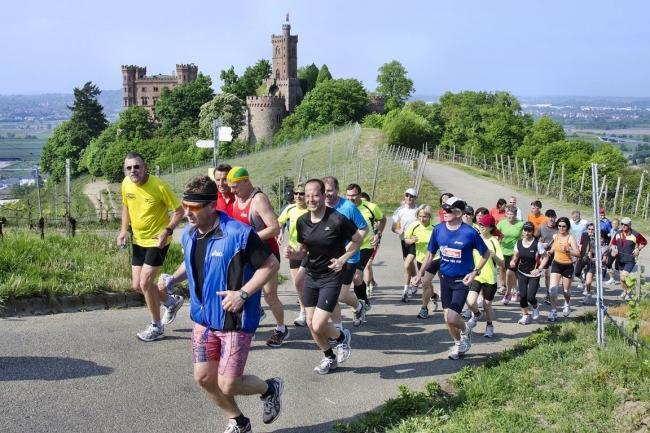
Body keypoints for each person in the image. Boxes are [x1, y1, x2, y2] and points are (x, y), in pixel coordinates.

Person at [160, 175, 283, 433]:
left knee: (229, 384)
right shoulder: (190, 234)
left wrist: (244, 293)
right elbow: (192, 263)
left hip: (234, 320)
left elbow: (271, 264)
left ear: (211, 206)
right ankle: (238, 420)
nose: (187, 214)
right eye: (185, 207)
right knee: (204, 378)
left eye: (193, 208)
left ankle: (269, 389)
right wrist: (172, 278)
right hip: (203, 319)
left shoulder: (240, 234)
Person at [285, 178, 363, 374]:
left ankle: (341, 338)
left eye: (315, 195)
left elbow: (358, 240)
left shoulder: (336, 219)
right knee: (311, 324)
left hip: (331, 275)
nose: (311, 199)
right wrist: (293, 254)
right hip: (312, 275)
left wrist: (343, 259)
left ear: (323, 196)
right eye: (307, 195)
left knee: (319, 324)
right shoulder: (302, 221)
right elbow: (303, 250)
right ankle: (329, 357)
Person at [117, 152, 184, 342]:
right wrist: (123, 230)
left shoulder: (159, 186)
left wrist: (167, 231)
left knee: (146, 283)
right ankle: (171, 302)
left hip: (157, 240)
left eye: (137, 167)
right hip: (138, 240)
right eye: (129, 168)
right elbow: (126, 207)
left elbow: (180, 211)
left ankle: (157, 326)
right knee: (137, 286)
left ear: (145, 167)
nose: (133, 171)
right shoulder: (126, 183)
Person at [412, 196, 490, 360]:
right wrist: (420, 274)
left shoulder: (469, 232)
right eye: (443, 209)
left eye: (449, 210)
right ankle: (458, 344)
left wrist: (475, 272)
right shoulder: (438, 230)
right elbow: (430, 254)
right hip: (445, 279)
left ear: (459, 213)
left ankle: (466, 330)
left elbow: (486, 253)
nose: (444, 212)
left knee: (452, 317)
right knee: (447, 319)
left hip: (462, 280)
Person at [226, 166, 287, 347]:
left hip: (267, 255)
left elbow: (274, 228)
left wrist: (248, 239)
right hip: (247, 255)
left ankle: (281, 328)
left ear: (246, 180)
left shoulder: (258, 199)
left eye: (235, 185)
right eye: (231, 186)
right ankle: (246, 327)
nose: (232, 190)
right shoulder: (237, 199)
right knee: (246, 292)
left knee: (270, 295)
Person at [322, 177, 368, 328]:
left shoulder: (348, 207)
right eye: (324, 190)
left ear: (337, 190)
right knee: (331, 294)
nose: (326, 194)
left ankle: (359, 306)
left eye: (329, 190)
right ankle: (338, 329)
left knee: (341, 295)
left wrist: (354, 245)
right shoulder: (320, 206)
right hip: (329, 257)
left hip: (349, 257)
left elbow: (363, 227)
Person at [345, 184, 386, 309]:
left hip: (366, 246)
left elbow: (382, 219)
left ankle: (361, 303)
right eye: (348, 195)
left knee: (357, 275)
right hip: (348, 247)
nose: (350, 198)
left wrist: (378, 234)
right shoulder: (343, 208)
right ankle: (364, 301)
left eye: (353, 195)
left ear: (360, 195)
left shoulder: (371, 207)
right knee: (355, 278)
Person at [466, 214, 504, 338]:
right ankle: (477, 315)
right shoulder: (475, 238)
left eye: (484, 225)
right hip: (476, 276)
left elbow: (502, 263)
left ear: (491, 227)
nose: (481, 226)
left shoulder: (494, 241)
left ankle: (489, 325)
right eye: (480, 224)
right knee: (470, 302)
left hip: (490, 278)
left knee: (487, 305)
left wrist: (494, 256)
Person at [277, 184, 309, 327]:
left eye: (301, 194)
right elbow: (278, 223)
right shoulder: (289, 209)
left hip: (311, 251)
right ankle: (303, 312)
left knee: (306, 282)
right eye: (295, 193)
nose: (297, 196)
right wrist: (279, 233)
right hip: (294, 251)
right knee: (298, 283)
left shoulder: (312, 209)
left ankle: (313, 310)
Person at [511, 222, 548, 324]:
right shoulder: (518, 243)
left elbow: (546, 257)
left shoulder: (537, 244)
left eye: (529, 231)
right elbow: (516, 255)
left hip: (534, 274)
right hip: (521, 272)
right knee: (522, 296)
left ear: (532, 232)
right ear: (522, 231)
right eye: (525, 230)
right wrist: (513, 261)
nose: (527, 233)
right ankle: (525, 315)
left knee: (530, 297)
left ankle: (535, 306)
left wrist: (539, 269)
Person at [403, 205, 436, 319]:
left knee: (426, 282)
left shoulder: (435, 227)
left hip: (436, 258)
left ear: (430, 216)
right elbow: (406, 239)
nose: (422, 219)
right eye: (420, 216)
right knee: (427, 283)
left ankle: (424, 308)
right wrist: (411, 240)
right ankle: (433, 296)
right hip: (421, 258)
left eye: (425, 216)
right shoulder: (414, 225)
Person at [548, 216, 581, 321]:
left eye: (564, 226)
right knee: (553, 289)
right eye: (559, 226)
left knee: (566, 291)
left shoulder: (570, 238)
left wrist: (568, 250)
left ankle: (567, 303)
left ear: (567, 227)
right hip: (556, 264)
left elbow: (578, 254)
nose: (561, 228)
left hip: (567, 266)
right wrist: (550, 252)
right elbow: (553, 247)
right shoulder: (555, 236)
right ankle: (553, 311)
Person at [392, 188, 419, 301]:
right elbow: (393, 227)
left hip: (415, 241)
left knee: (407, 264)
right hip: (403, 240)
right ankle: (415, 280)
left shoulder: (418, 211)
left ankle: (405, 291)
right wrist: (399, 230)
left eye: (411, 196)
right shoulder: (400, 210)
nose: (409, 198)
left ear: (415, 198)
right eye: (407, 195)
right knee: (409, 264)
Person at [611, 217, 647, 300]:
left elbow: (644, 242)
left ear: (630, 225)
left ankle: (628, 293)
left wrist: (638, 249)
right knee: (622, 279)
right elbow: (613, 243)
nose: (623, 226)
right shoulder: (618, 233)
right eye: (622, 224)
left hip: (629, 260)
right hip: (619, 259)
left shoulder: (635, 234)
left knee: (624, 276)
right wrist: (613, 250)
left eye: (625, 224)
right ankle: (626, 291)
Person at [496, 206, 524, 304]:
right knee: (505, 271)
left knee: (510, 273)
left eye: (511, 214)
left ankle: (508, 293)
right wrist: (497, 239)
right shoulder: (502, 223)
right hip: (502, 251)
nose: (509, 216)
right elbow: (495, 233)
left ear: (515, 215)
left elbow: (526, 235)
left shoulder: (520, 224)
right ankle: (515, 290)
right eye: (507, 214)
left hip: (515, 252)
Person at [359, 191, 383, 295]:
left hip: (372, 242)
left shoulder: (371, 210)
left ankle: (367, 287)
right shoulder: (355, 210)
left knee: (368, 265)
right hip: (358, 243)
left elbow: (382, 220)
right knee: (364, 266)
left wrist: (378, 233)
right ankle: (372, 281)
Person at [538, 209, 558, 303]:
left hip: (555, 254)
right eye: (549, 217)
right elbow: (536, 239)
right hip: (545, 254)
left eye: (552, 217)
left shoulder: (559, 228)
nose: (551, 219)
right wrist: (542, 244)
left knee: (551, 274)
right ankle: (548, 292)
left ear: (555, 217)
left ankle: (551, 293)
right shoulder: (541, 227)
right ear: (546, 218)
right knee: (546, 274)